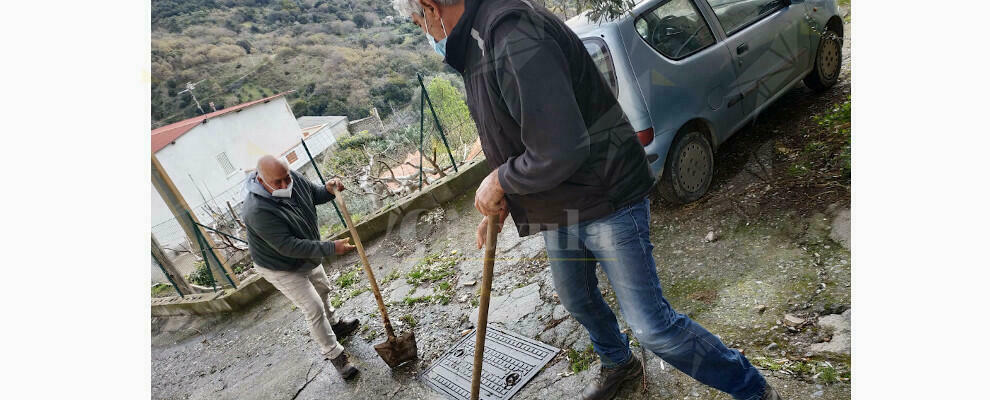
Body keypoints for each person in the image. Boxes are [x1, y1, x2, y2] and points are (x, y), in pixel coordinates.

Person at [392, 1, 782, 399]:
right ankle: (619, 362)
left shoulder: (510, 32)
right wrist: (501, 197)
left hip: (604, 193)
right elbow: (514, 134)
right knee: (576, 296)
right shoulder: (477, 45)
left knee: (653, 327)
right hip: (561, 205)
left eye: (418, 21)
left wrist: (499, 179)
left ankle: (752, 389)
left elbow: (559, 148)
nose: (426, 34)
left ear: (430, 6)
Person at [241, 155, 361, 380]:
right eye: (277, 182)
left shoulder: (291, 177)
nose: (285, 185)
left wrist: (328, 189)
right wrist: (331, 247)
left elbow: (314, 195)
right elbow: (288, 246)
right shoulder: (256, 210)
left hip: (306, 253)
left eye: (287, 177)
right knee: (313, 306)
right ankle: (336, 356)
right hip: (279, 265)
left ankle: (335, 326)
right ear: (260, 179)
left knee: (323, 289)